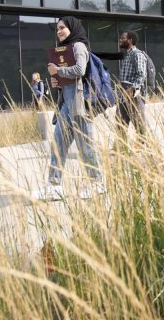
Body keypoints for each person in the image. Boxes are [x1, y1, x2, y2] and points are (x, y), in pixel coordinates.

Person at [33, 16, 104, 201]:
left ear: (72, 28)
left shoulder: (78, 46)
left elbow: (80, 70)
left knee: (85, 145)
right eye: (57, 29)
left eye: (62, 28)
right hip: (67, 103)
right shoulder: (66, 50)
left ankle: (98, 183)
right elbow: (70, 78)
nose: (59, 32)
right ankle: (54, 186)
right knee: (58, 144)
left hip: (80, 104)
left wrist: (58, 71)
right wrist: (57, 81)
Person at [94, 30, 148, 138]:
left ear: (130, 40)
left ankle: (145, 148)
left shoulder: (137, 54)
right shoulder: (126, 55)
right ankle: (120, 148)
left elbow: (142, 74)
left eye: (123, 38)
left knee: (138, 121)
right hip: (123, 91)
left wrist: (132, 88)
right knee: (120, 120)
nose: (120, 40)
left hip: (134, 93)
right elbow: (110, 55)